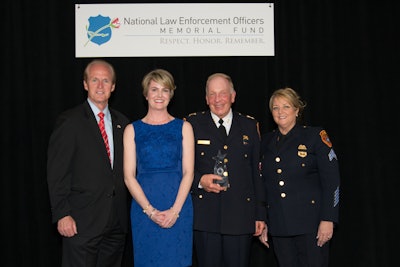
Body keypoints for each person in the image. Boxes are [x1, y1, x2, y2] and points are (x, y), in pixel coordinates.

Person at [47, 59, 130, 267]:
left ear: (113, 86)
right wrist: (62, 214)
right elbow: (57, 173)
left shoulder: (123, 123)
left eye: (105, 80)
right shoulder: (70, 122)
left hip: (116, 224)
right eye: (94, 80)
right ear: (85, 84)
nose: (100, 86)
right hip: (81, 223)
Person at [185, 73, 266, 267]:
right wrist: (199, 180)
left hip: (240, 216)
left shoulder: (249, 125)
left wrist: (260, 214)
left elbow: (257, 173)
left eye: (222, 93)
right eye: (212, 94)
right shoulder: (191, 124)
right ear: (206, 99)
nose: (217, 99)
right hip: (205, 216)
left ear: (233, 96)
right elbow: (181, 166)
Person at [258, 87, 341, 267]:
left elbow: (332, 181)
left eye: (286, 106)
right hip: (279, 224)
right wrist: (263, 220)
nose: (280, 112)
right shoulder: (265, 142)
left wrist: (328, 218)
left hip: (311, 225)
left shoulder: (314, 137)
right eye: (275, 108)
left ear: (297, 110)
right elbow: (263, 185)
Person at [123, 69, 195, 267]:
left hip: (178, 206)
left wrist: (175, 211)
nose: (159, 95)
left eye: (165, 90)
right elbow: (129, 177)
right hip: (144, 208)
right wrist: (150, 211)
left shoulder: (184, 127)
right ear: (146, 94)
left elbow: (189, 173)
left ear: (171, 94)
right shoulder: (132, 130)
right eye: (154, 89)